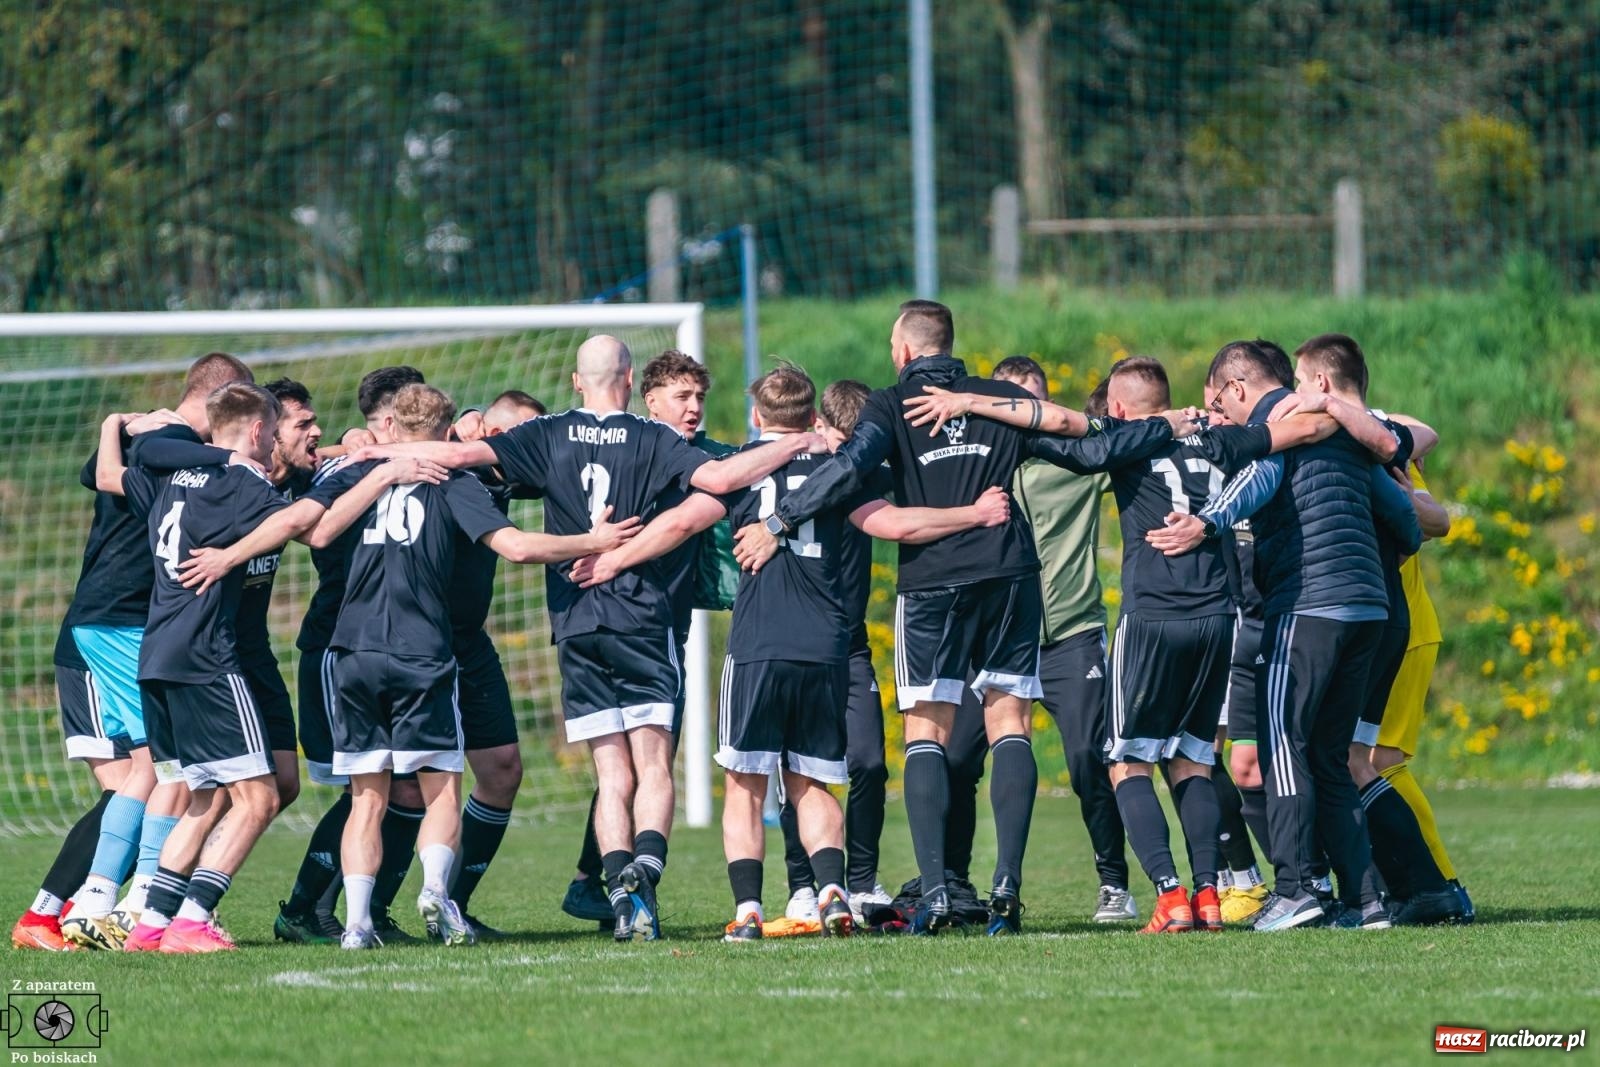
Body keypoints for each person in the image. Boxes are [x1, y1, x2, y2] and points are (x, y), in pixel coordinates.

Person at [365, 336, 823, 941]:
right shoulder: (654, 437)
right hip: (644, 616)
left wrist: (371, 454)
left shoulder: (545, 433)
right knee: (654, 764)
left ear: (578, 382)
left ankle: (614, 886)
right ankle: (644, 880)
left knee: (611, 775)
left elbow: (462, 456)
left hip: (576, 617)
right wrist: (801, 439)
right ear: (631, 381)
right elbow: (716, 476)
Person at [768, 299, 1188, 934]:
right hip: (1011, 576)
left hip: (934, 582)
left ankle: (937, 889)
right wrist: (1164, 427)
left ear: (904, 350)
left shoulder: (887, 405)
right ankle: (1006, 887)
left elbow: (850, 469)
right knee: (1009, 720)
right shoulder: (996, 398)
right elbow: (1090, 453)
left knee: (925, 733)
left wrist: (780, 519)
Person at [570, 364, 1010, 940]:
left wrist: (612, 560)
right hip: (827, 647)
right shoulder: (841, 471)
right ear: (814, 417)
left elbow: (678, 524)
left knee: (746, 788)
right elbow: (897, 524)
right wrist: (972, 514)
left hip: (757, 646)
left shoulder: (739, 476)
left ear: (757, 418)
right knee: (812, 785)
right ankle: (832, 892)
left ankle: (749, 911)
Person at [1148, 339, 1407, 931]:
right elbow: (1407, 522)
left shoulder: (1279, 425)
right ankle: (1366, 901)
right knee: (1329, 759)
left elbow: (1261, 477)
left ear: (1238, 389)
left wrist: (1207, 520)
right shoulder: (1348, 432)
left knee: (1282, 749)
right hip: (1368, 607)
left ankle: (1294, 890)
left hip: (1307, 606)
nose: (1218, 415)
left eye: (1217, 401)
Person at [56, 353, 255, 951]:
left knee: (153, 770)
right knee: (163, 767)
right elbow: (121, 469)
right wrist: (230, 457)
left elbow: (103, 470)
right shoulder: (165, 438)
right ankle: (120, 900)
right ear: (227, 398)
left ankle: (98, 902)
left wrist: (113, 423)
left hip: (120, 621)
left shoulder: (152, 437)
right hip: (121, 619)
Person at [93, 383, 293, 952]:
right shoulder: (243, 479)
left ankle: (152, 924)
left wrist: (112, 423)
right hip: (208, 656)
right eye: (274, 431)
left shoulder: (167, 479)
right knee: (260, 798)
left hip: (156, 656)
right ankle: (192, 920)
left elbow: (110, 476)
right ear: (257, 431)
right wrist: (234, 555)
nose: (276, 441)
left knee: (204, 799)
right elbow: (304, 524)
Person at [560, 350, 742, 928]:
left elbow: (746, 465)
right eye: (681, 397)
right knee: (642, 765)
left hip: (637, 623)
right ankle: (629, 888)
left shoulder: (699, 454)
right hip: (631, 623)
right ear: (648, 396)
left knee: (627, 768)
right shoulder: (634, 447)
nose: (693, 409)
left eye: (699, 398)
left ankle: (603, 885)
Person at [1290, 335, 1461, 925]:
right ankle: (1401, 887)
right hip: (1380, 617)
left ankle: (1439, 884)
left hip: (1396, 622)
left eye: (1299, 382)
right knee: (1354, 759)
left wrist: (1389, 486)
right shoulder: (1355, 433)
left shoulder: (1371, 439)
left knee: (1373, 760)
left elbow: (1434, 515)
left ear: (1322, 384)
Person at [275, 366, 434, 944]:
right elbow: (314, 518)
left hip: (402, 647)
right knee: (365, 789)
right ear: (392, 419)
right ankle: (303, 909)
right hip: (338, 647)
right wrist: (367, 451)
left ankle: (373, 911)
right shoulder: (345, 473)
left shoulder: (414, 466)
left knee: (409, 787)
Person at [774, 380, 895, 925]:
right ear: (817, 428)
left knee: (868, 760)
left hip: (848, 649)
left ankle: (863, 881)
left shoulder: (868, 474)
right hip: (796, 645)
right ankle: (802, 884)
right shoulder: (787, 473)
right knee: (799, 770)